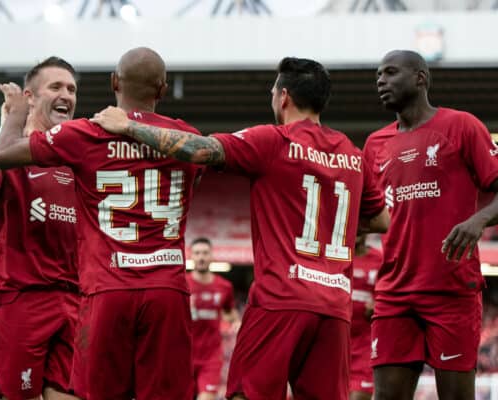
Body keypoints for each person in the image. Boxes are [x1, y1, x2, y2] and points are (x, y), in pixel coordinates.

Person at [93, 57, 390, 400]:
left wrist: (129, 127)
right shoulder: (353, 155)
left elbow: (201, 150)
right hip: (335, 306)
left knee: (244, 395)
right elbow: (381, 220)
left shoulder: (273, 141)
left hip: (282, 298)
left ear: (283, 97)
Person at [0, 47, 204, 400]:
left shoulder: (85, 134)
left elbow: (3, 154)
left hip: (107, 290)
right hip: (167, 290)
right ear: (163, 90)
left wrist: (15, 111)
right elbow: (196, 176)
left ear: (114, 82)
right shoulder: (186, 138)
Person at [363, 50, 498, 400]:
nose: (381, 80)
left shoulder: (462, 126)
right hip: (393, 293)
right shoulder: (375, 144)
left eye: (390, 73)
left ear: (420, 78)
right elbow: (365, 216)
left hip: (450, 290)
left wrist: (478, 220)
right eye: (378, 75)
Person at [0, 57, 80, 400]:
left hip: (75, 299)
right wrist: (6, 133)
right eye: (55, 87)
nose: (66, 95)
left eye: (71, 89)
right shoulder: (5, 152)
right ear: (30, 97)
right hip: (20, 299)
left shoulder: (78, 154)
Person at [188, 237, 241, 400]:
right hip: (183, 355)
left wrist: (238, 322)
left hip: (210, 357)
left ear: (211, 256)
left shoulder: (224, 286)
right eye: (197, 253)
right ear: (191, 256)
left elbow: (230, 313)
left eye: (205, 253)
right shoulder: (182, 283)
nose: (201, 257)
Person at [349, 234, 382, 400]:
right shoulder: (334, 256)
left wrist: (379, 304)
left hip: (364, 345)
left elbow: (391, 293)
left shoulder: (380, 259)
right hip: (333, 342)